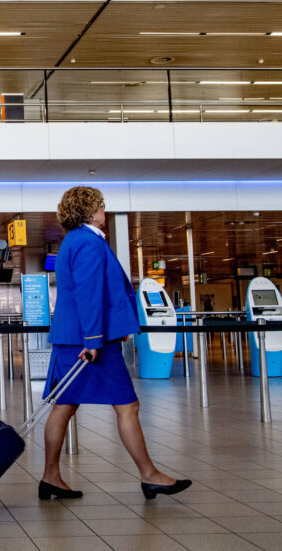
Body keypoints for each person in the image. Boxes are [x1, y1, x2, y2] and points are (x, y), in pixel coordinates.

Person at [39, 186, 191, 502]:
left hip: (72, 338)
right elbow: (89, 293)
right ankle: (149, 475)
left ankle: (51, 477)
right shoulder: (89, 243)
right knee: (126, 405)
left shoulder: (73, 241)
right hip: (89, 343)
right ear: (90, 210)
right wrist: (94, 340)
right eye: (101, 206)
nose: (104, 211)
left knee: (65, 405)